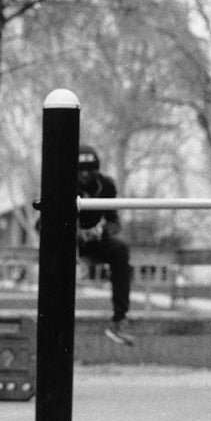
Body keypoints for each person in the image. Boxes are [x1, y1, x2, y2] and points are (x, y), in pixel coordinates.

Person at [75, 145, 134, 345]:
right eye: (80, 169)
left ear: (96, 170)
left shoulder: (106, 185)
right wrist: (77, 233)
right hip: (66, 237)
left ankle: (120, 318)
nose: (84, 174)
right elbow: (43, 223)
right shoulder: (64, 182)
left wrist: (102, 230)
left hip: (96, 240)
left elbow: (114, 221)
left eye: (89, 169)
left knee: (121, 249)